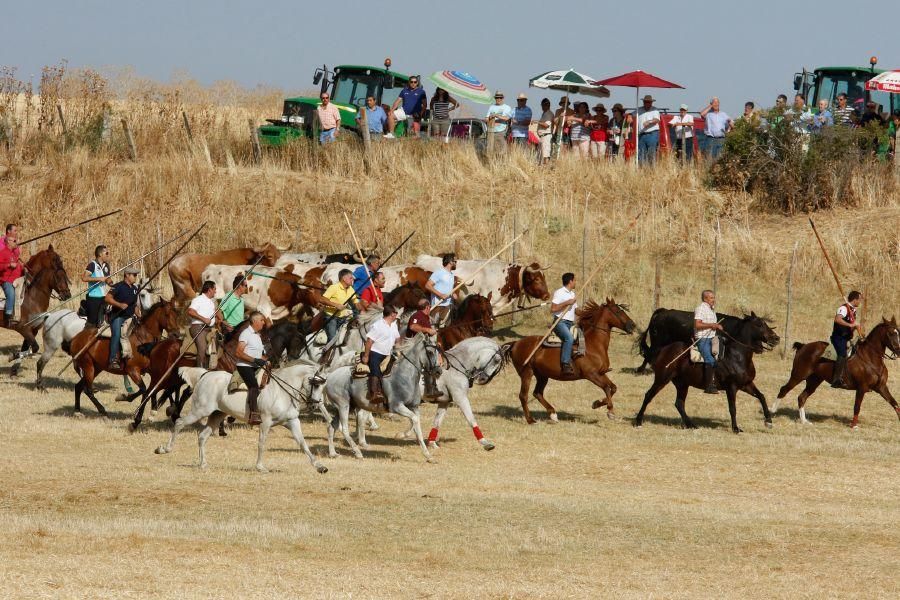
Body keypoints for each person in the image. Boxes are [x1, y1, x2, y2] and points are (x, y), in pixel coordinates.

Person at [234, 311, 269, 425]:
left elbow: (261, 355)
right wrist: (254, 360)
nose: (264, 323)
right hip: (244, 366)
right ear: (254, 321)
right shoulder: (245, 334)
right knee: (254, 386)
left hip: (256, 365)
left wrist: (266, 361)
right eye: (262, 320)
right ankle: (253, 415)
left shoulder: (257, 336)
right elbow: (238, 353)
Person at [105, 266, 142, 370]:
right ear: (127, 275)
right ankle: (112, 360)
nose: (136, 277)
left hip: (130, 318)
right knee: (116, 334)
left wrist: (139, 315)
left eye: (136, 275)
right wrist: (119, 304)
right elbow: (107, 298)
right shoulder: (118, 286)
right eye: (134, 275)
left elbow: (134, 306)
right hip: (118, 317)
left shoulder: (135, 289)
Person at [363, 305, 401, 404]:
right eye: (395, 314)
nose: (396, 316)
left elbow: (397, 338)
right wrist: (366, 356)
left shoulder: (394, 325)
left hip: (388, 353)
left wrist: (398, 349)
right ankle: (375, 393)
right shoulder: (377, 325)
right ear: (392, 314)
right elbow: (369, 341)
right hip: (376, 353)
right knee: (376, 370)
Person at [831, 291, 862, 388]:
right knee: (842, 354)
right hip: (838, 337)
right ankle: (836, 379)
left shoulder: (853, 310)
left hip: (847, 338)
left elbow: (852, 325)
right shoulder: (844, 308)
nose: (860, 302)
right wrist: (851, 325)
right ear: (855, 299)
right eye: (859, 299)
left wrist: (857, 329)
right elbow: (837, 319)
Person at [694, 289, 723, 394]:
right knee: (710, 360)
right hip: (703, 339)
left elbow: (712, 324)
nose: (713, 300)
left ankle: (717, 382)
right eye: (711, 298)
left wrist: (717, 326)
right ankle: (708, 386)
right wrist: (712, 325)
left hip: (712, 338)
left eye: (713, 297)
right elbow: (697, 324)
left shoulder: (711, 309)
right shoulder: (700, 309)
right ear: (705, 298)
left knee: (721, 358)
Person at [550, 272, 577, 374]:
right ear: (570, 281)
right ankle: (565, 364)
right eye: (575, 280)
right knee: (569, 338)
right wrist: (567, 302)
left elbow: (576, 311)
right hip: (560, 322)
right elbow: (553, 309)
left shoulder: (573, 294)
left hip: (571, 323)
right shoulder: (559, 292)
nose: (575, 282)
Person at [187, 280, 218, 368]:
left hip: (209, 329)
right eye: (214, 289)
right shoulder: (198, 299)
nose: (215, 291)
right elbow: (190, 311)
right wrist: (204, 319)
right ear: (209, 290)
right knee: (203, 348)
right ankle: (199, 372)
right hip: (198, 327)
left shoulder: (211, 302)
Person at [321, 269, 357, 343]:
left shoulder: (351, 289)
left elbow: (356, 303)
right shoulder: (334, 287)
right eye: (350, 278)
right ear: (344, 279)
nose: (352, 279)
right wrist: (335, 305)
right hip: (331, 316)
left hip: (343, 317)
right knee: (332, 339)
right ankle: (327, 353)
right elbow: (322, 299)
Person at [82, 245, 112, 328]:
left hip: (104, 297)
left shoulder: (106, 266)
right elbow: (84, 278)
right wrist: (99, 279)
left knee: (106, 319)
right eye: (106, 253)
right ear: (100, 254)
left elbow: (107, 279)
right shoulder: (92, 265)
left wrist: (111, 284)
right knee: (92, 323)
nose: (107, 255)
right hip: (94, 297)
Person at [424, 253, 457, 327]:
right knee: (434, 329)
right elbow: (427, 285)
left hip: (448, 306)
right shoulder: (439, 272)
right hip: (438, 306)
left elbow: (449, 289)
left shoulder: (451, 275)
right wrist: (440, 295)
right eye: (455, 261)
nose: (456, 263)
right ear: (450, 262)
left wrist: (453, 293)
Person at [0, 223, 23, 328]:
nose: (16, 242)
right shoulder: (3, 253)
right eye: (14, 241)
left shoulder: (14, 253)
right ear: (8, 241)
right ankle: (8, 316)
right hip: (7, 280)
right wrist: (9, 265)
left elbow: (18, 266)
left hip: (17, 279)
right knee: (11, 294)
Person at [219, 274, 248, 341]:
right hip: (230, 331)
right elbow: (218, 311)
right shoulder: (229, 296)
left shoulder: (242, 299)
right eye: (245, 285)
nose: (247, 287)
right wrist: (225, 324)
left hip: (240, 330)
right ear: (240, 286)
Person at [636, 95, 661, 163]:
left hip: (652, 134)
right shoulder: (639, 110)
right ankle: (643, 170)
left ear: (651, 102)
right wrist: (629, 116)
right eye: (645, 102)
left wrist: (649, 122)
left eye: (648, 102)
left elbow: (656, 120)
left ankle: (651, 171)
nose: (646, 103)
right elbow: (631, 114)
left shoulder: (655, 110)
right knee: (641, 154)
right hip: (642, 134)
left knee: (651, 153)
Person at [537, 98, 554, 164]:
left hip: (546, 136)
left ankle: (546, 167)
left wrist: (537, 122)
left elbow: (546, 125)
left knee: (545, 154)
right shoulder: (545, 113)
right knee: (542, 154)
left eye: (543, 105)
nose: (542, 107)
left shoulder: (549, 114)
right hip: (542, 136)